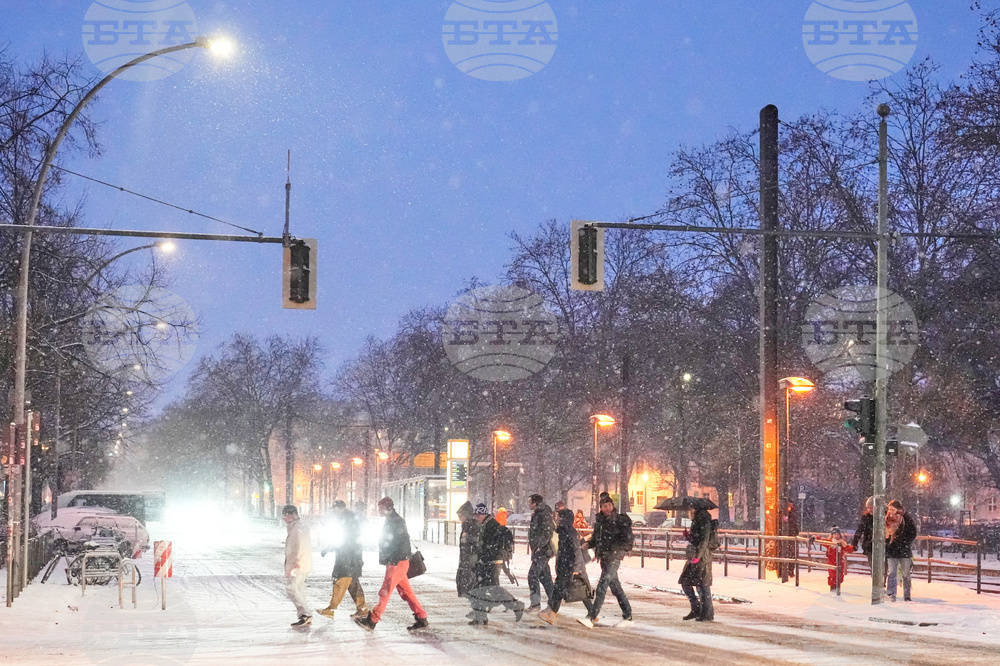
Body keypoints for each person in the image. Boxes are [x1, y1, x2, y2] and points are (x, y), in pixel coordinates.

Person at [354, 497, 429, 631]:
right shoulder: (392, 520)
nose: (378, 510)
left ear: (388, 508)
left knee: (385, 592)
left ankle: (372, 620)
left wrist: (393, 559)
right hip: (397, 561)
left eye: (380, 508)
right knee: (407, 593)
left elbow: (401, 543)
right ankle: (421, 617)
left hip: (397, 562)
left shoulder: (396, 521)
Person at [580, 493, 633, 627]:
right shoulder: (601, 521)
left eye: (609, 505)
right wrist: (589, 544)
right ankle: (628, 615)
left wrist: (620, 549)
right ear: (601, 508)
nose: (607, 508)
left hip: (614, 557)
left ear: (613, 506)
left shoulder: (620, 520)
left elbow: (627, 539)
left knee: (602, 585)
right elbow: (597, 537)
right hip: (604, 557)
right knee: (615, 587)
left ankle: (592, 616)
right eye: (604, 506)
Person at [467, 503, 524, 625]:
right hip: (490, 561)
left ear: (482, 514)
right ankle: (480, 616)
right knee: (480, 589)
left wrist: (483, 558)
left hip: (491, 562)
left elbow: (489, 546)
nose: (476, 518)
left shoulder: (490, 526)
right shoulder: (487, 524)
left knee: (491, 589)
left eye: (478, 515)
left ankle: (516, 605)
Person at [538, 508, 594, 625]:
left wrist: (574, 568)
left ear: (564, 518)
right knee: (576, 589)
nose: (556, 518)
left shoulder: (569, 531)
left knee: (562, 589)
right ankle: (592, 612)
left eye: (558, 516)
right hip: (565, 565)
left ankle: (552, 613)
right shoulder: (564, 531)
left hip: (569, 566)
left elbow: (574, 550)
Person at [317, 500, 367, 620]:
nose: (333, 513)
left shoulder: (348, 521)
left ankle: (331, 609)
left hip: (348, 559)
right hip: (352, 557)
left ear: (341, 509)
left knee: (340, 581)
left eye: (335, 510)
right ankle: (362, 609)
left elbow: (344, 541)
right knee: (353, 584)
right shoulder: (347, 519)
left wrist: (329, 548)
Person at [679, 506, 715, 622]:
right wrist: (688, 536)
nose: (689, 509)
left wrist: (698, 556)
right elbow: (698, 539)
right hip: (696, 555)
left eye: (691, 507)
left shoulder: (704, 519)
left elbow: (704, 540)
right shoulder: (697, 519)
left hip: (701, 557)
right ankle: (697, 609)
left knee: (702, 585)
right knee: (687, 582)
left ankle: (706, 613)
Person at [282, 504, 313, 627]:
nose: (284, 518)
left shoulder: (298, 528)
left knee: (291, 588)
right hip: (300, 563)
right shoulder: (298, 526)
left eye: (285, 515)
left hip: (298, 564)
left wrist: (297, 564)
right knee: (298, 588)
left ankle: (305, 613)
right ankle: (303, 615)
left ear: (291, 515)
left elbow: (301, 546)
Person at [527, 493, 555, 611]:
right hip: (540, 550)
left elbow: (547, 532)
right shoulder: (539, 513)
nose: (528, 504)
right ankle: (554, 602)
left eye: (530, 502)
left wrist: (539, 546)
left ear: (535, 503)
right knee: (545, 577)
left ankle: (535, 604)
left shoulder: (543, 514)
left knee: (532, 575)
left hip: (542, 551)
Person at [885, 499, 916, 602]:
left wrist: (905, 542)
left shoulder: (905, 519)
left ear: (898, 509)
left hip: (904, 550)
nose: (890, 511)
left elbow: (913, 531)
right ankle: (891, 593)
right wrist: (887, 542)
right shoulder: (886, 520)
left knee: (906, 573)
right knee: (892, 572)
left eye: (892, 509)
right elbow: (884, 534)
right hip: (892, 550)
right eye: (889, 509)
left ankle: (907, 595)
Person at [455, 501, 480, 598]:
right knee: (464, 576)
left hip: (469, 557)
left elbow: (477, 541)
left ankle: (467, 593)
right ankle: (465, 592)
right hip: (466, 557)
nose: (459, 518)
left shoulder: (472, 525)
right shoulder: (467, 525)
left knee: (467, 576)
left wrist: (468, 538)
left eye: (460, 516)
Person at [824, 526, 853, 591]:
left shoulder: (842, 542)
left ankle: (837, 587)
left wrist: (853, 548)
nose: (836, 536)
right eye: (834, 534)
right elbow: (822, 541)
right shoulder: (830, 542)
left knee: (840, 575)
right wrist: (816, 538)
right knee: (832, 575)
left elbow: (847, 548)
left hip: (840, 561)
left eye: (838, 534)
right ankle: (832, 588)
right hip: (831, 561)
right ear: (832, 535)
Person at [851, 496, 875, 567]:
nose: (870, 509)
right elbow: (860, 530)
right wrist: (855, 542)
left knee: (882, 568)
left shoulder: (884, 516)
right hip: (869, 546)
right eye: (868, 508)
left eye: (871, 507)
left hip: (882, 546)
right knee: (873, 567)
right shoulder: (865, 518)